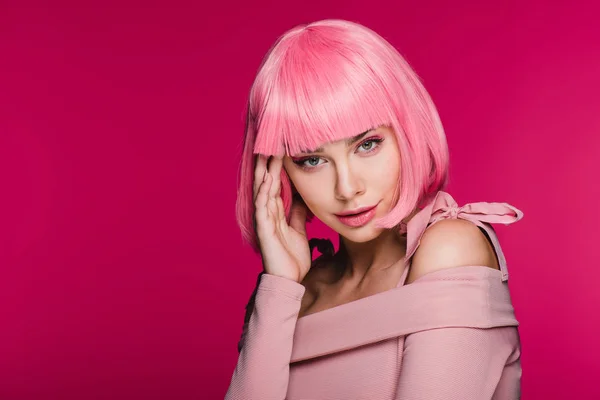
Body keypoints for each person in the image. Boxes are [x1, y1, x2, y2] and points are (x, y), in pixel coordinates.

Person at [226, 19, 524, 400]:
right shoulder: (291, 295)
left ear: (407, 130)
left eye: (367, 144)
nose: (348, 188)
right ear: (275, 169)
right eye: (311, 160)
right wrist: (280, 287)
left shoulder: (449, 249)